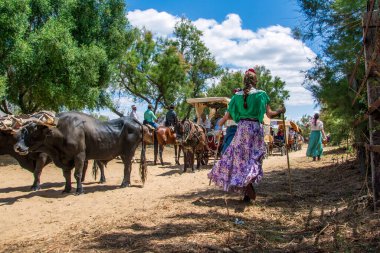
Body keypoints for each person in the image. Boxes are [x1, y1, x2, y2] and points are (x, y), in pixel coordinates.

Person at [208, 68, 285, 203]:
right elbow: (269, 114)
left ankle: (246, 192)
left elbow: (229, 115)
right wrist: (281, 110)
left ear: (244, 81)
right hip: (255, 128)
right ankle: (248, 184)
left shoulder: (236, 96)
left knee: (240, 159)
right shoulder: (261, 94)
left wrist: (220, 124)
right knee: (255, 157)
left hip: (242, 129)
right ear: (255, 80)